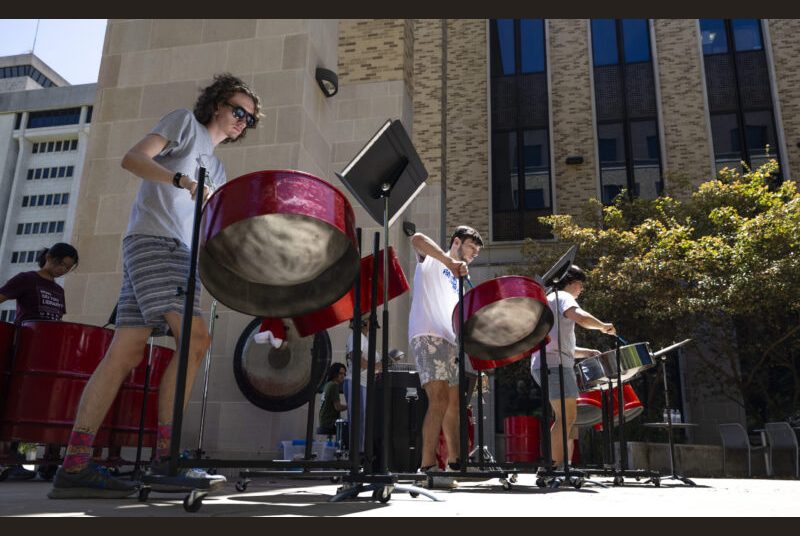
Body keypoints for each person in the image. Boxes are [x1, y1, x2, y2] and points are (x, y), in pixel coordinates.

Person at [48, 73, 262, 499]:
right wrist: (181, 181)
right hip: (155, 243)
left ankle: (74, 466)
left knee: (124, 353)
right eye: (238, 110)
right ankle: (168, 460)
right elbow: (132, 159)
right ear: (217, 104)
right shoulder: (186, 125)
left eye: (250, 119)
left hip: (174, 252)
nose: (242, 121)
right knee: (196, 341)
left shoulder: (218, 166)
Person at [408, 225, 483, 486]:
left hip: (450, 342)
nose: (473, 254)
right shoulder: (433, 259)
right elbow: (417, 238)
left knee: (455, 405)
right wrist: (449, 261)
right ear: (456, 242)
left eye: (476, 252)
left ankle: (455, 464)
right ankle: (426, 468)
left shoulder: (461, 281)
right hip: (427, 334)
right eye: (471, 248)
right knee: (438, 400)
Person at [0, 243, 79, 480]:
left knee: (48, 404)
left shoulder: (58, 291)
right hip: (25, 349)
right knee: (17, 401)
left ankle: (49, 463)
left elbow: (56, 321)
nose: (63, 270)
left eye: (68, 267)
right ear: (49, 257)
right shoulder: (26, 279)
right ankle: (9, 460)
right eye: (61, 264)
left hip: (50, 354)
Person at [531, 264, 615, 469]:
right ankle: (553, 467)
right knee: (566, 417)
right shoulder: (563, 297)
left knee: (565, 417)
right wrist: (603, 326)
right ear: (571, 282)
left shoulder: (550, 299)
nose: (581, 289)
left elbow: (559, 343)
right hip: (555, 365)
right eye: (581, 284)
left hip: (548, 362)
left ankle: (556, 466)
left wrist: (585, 352)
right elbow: (580, 317)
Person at [344, 313, 381, 452]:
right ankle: (357, 456)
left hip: (364, 384)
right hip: (357, 382)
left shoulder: (364, 339)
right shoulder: (357, 336)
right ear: (364, 322)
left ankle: (360, 454)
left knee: (363, 422)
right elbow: (356, 359)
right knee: (358, 422)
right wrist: (376, 366)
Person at [318, 363, 347, 437]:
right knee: (351, 428)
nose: (343, 376)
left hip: (323, 421)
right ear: (334, 373)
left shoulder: (328, 384)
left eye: (344, 374)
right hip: (329, 422)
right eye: (340, 373)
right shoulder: (334, 385)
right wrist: (351, 406)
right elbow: (338, 407)